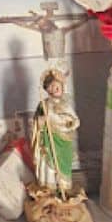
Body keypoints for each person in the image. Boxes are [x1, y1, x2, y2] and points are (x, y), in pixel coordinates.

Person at [31, 68, 80, 197]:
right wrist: (41, 121)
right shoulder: (44, 105)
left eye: (57, 85)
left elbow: (75, 120)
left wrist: (69, 124)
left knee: (63, 165)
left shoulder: (65, 104)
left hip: (63, 140)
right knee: (49, 163)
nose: (55, 88)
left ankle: (63, 188)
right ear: (47, 89)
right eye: (52, 86)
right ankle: (49, 188)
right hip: (49, 139)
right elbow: (36, 122)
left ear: (62, 87)